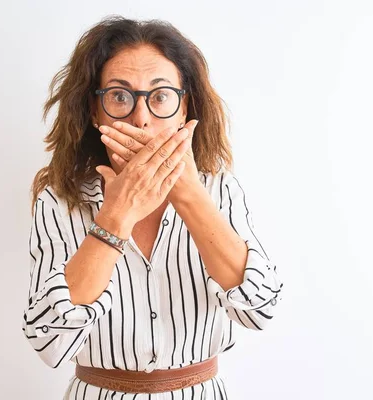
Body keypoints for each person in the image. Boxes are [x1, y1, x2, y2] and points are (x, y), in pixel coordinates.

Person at [22, 15, 283, 399]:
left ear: (183, 108)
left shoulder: (220, 189)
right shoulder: (60, 201)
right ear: (95, 112)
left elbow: (260, 309)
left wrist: (190, 195)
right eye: (119, 96)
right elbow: (50, 341)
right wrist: (116, 215)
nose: (141, 118)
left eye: (160, 97)